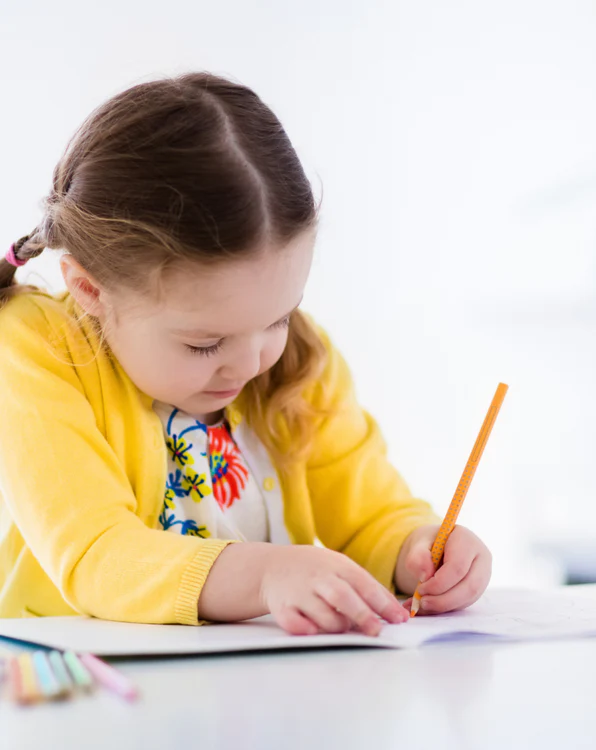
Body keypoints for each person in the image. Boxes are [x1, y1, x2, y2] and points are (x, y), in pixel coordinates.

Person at [0, 72, 491, 636]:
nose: (252, 362)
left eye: (278, 318)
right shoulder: (38, 348)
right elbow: (96, 553)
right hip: (88, 691)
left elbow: (367, 513)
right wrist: (266, 576)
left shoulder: (299, 359)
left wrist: (417, 548)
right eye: (204, 344)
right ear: (90, 291)